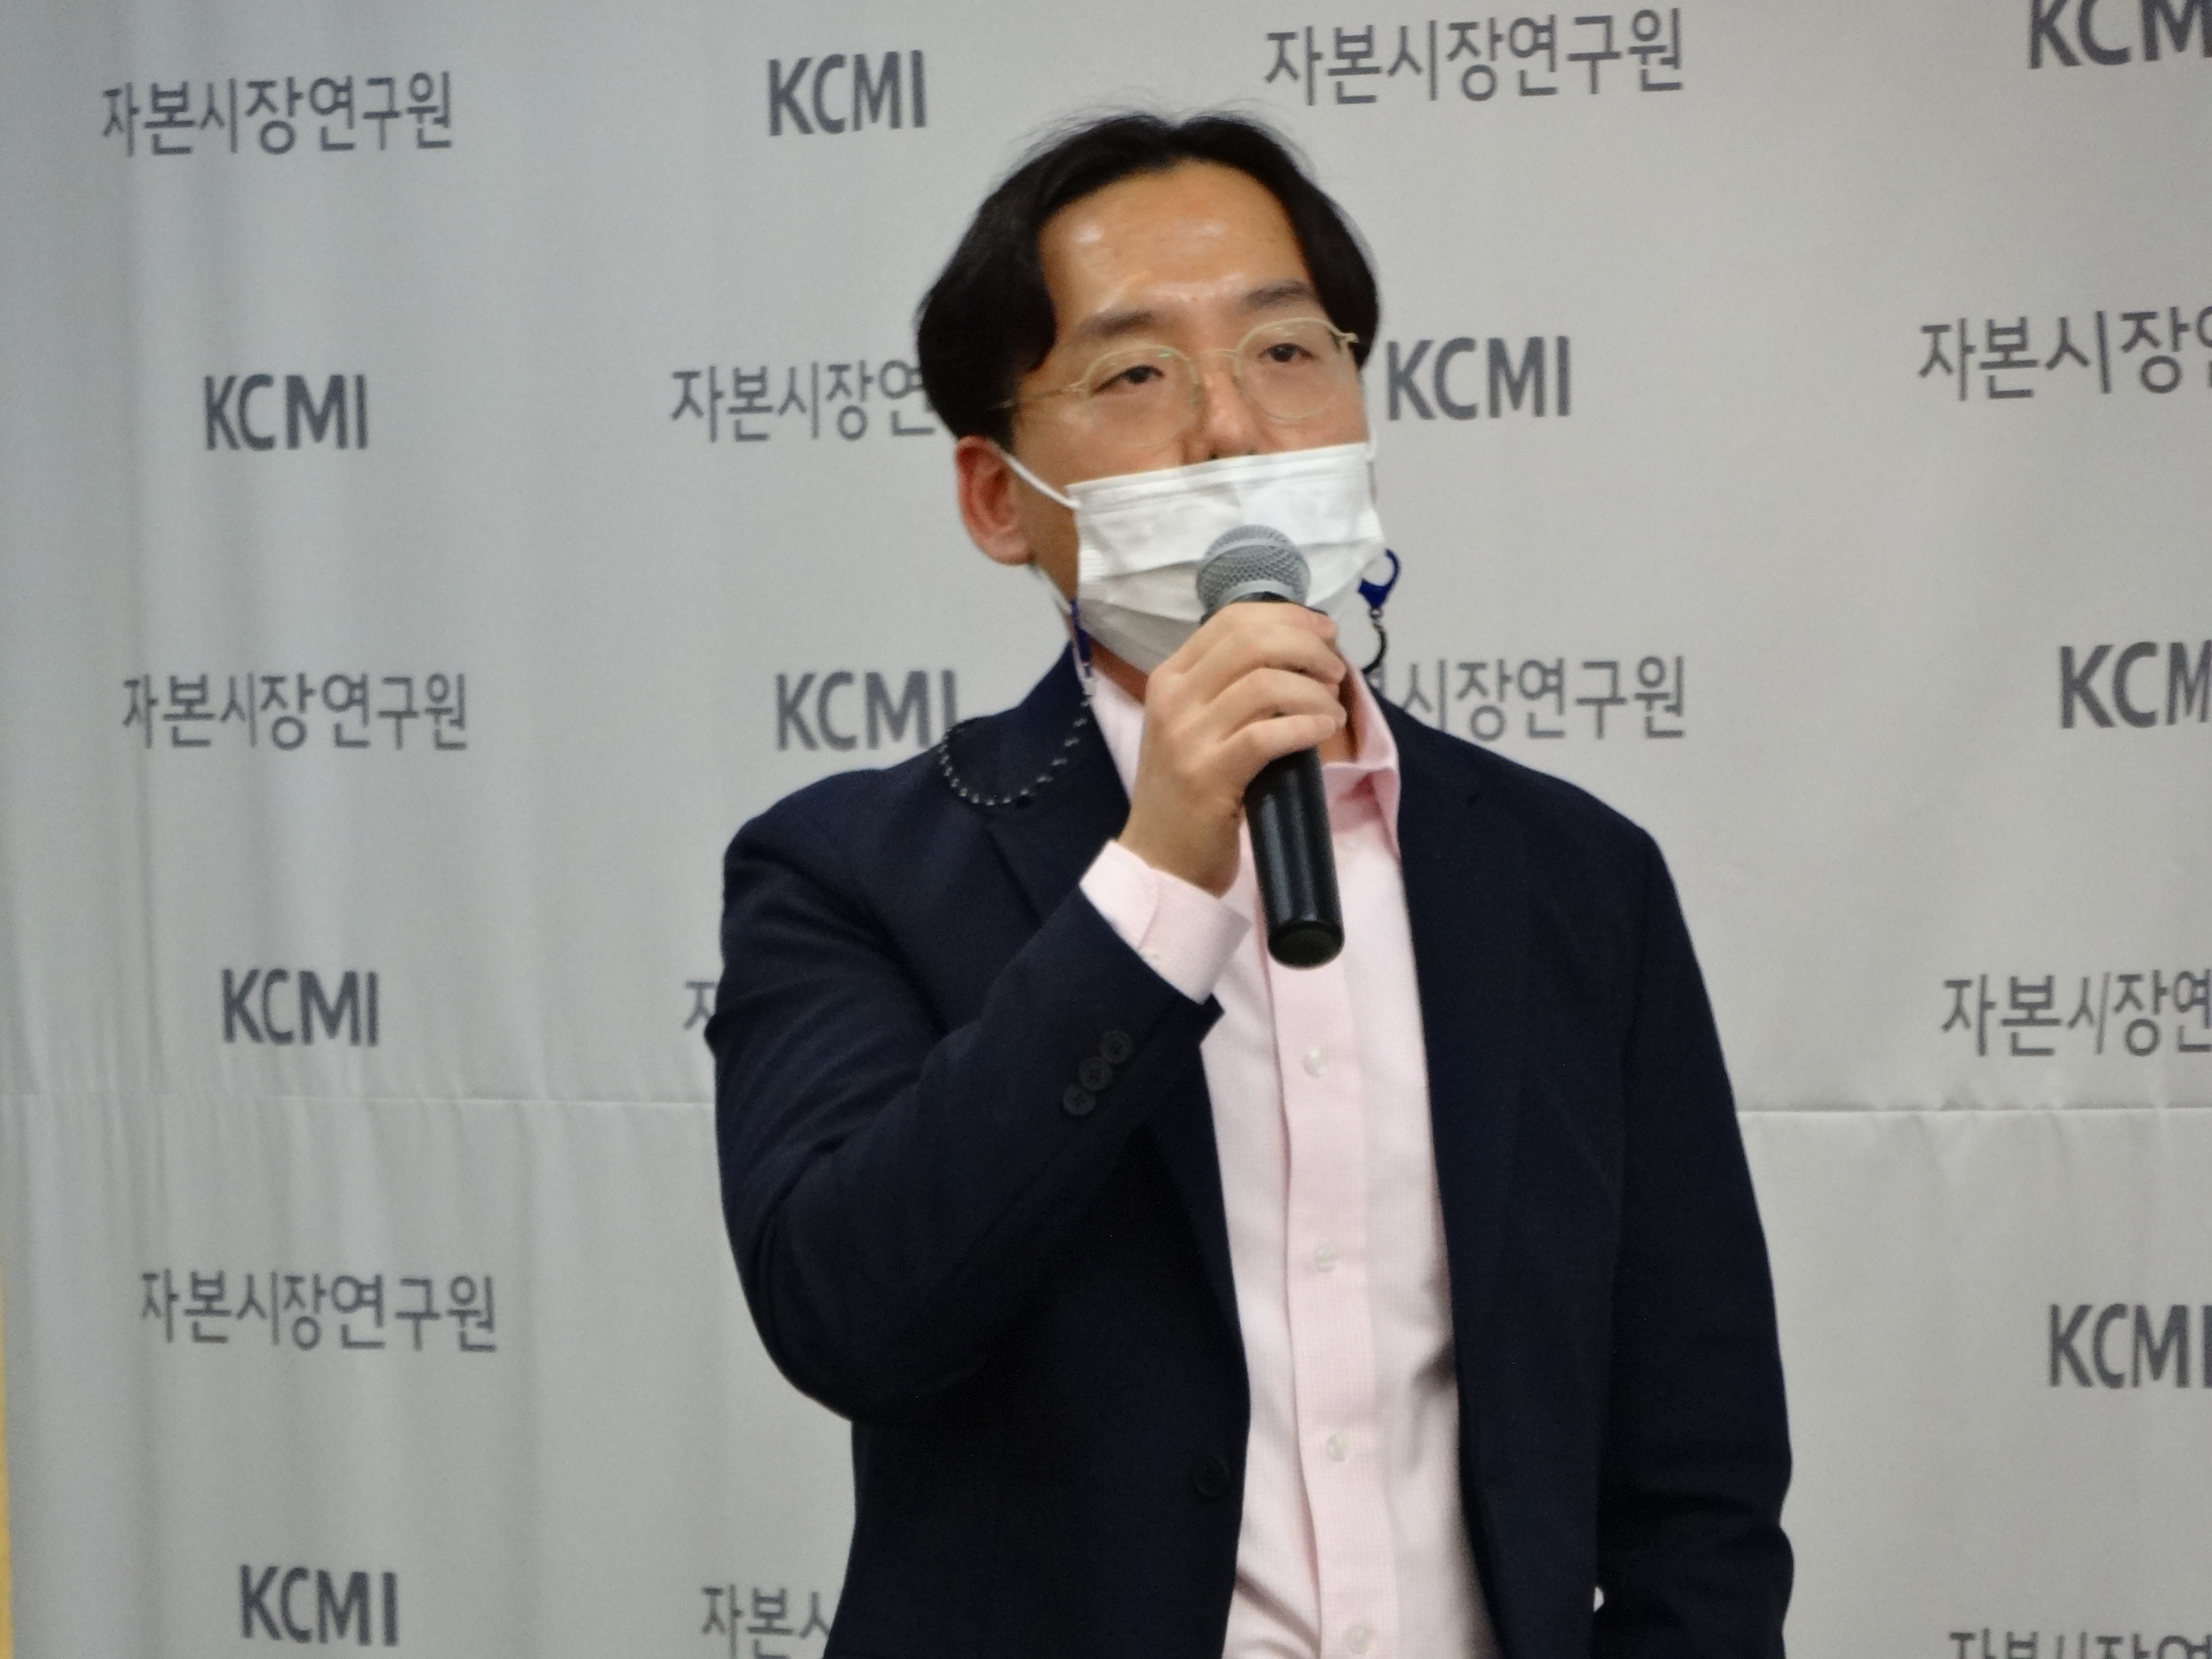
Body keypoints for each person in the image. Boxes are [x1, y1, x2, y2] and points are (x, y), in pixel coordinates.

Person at [708, 110, 1791, 1659]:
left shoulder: (1574, 874)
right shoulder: (850, 870)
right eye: (1135, 374)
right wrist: (1155, 877)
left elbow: (1700, 1466)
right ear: (1000, 496)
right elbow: (852, 1317)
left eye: (1287, 351)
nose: (1231, 428)